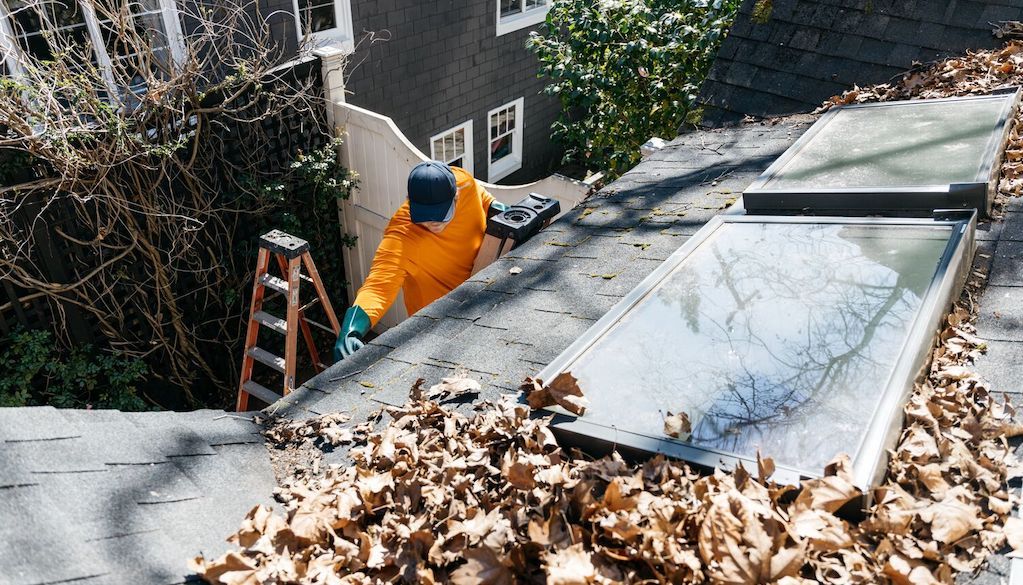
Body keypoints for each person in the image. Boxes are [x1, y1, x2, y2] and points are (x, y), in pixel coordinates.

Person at [333, 161, 508, 361]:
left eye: (441, 215)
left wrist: (499, 209)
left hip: (485, 301)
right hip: (438, 329)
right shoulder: (402, 236)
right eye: (424, 216)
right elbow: (377, 288)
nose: (432, 223)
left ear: (456, 196)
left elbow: (483, 199)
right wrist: (352, 328)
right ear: (409, 201)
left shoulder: (464, 182)